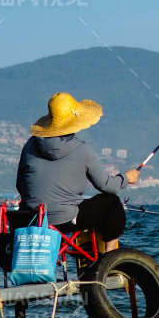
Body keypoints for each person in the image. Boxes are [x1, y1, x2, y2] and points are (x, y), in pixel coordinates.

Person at [15, 92, 138, 252]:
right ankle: (109, 258)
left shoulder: (30, 145)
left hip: (31, 220)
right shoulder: (82, 150)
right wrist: (126, 177)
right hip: (64, 220)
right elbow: (107, 186)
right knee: (111, 202)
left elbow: (20, 184)